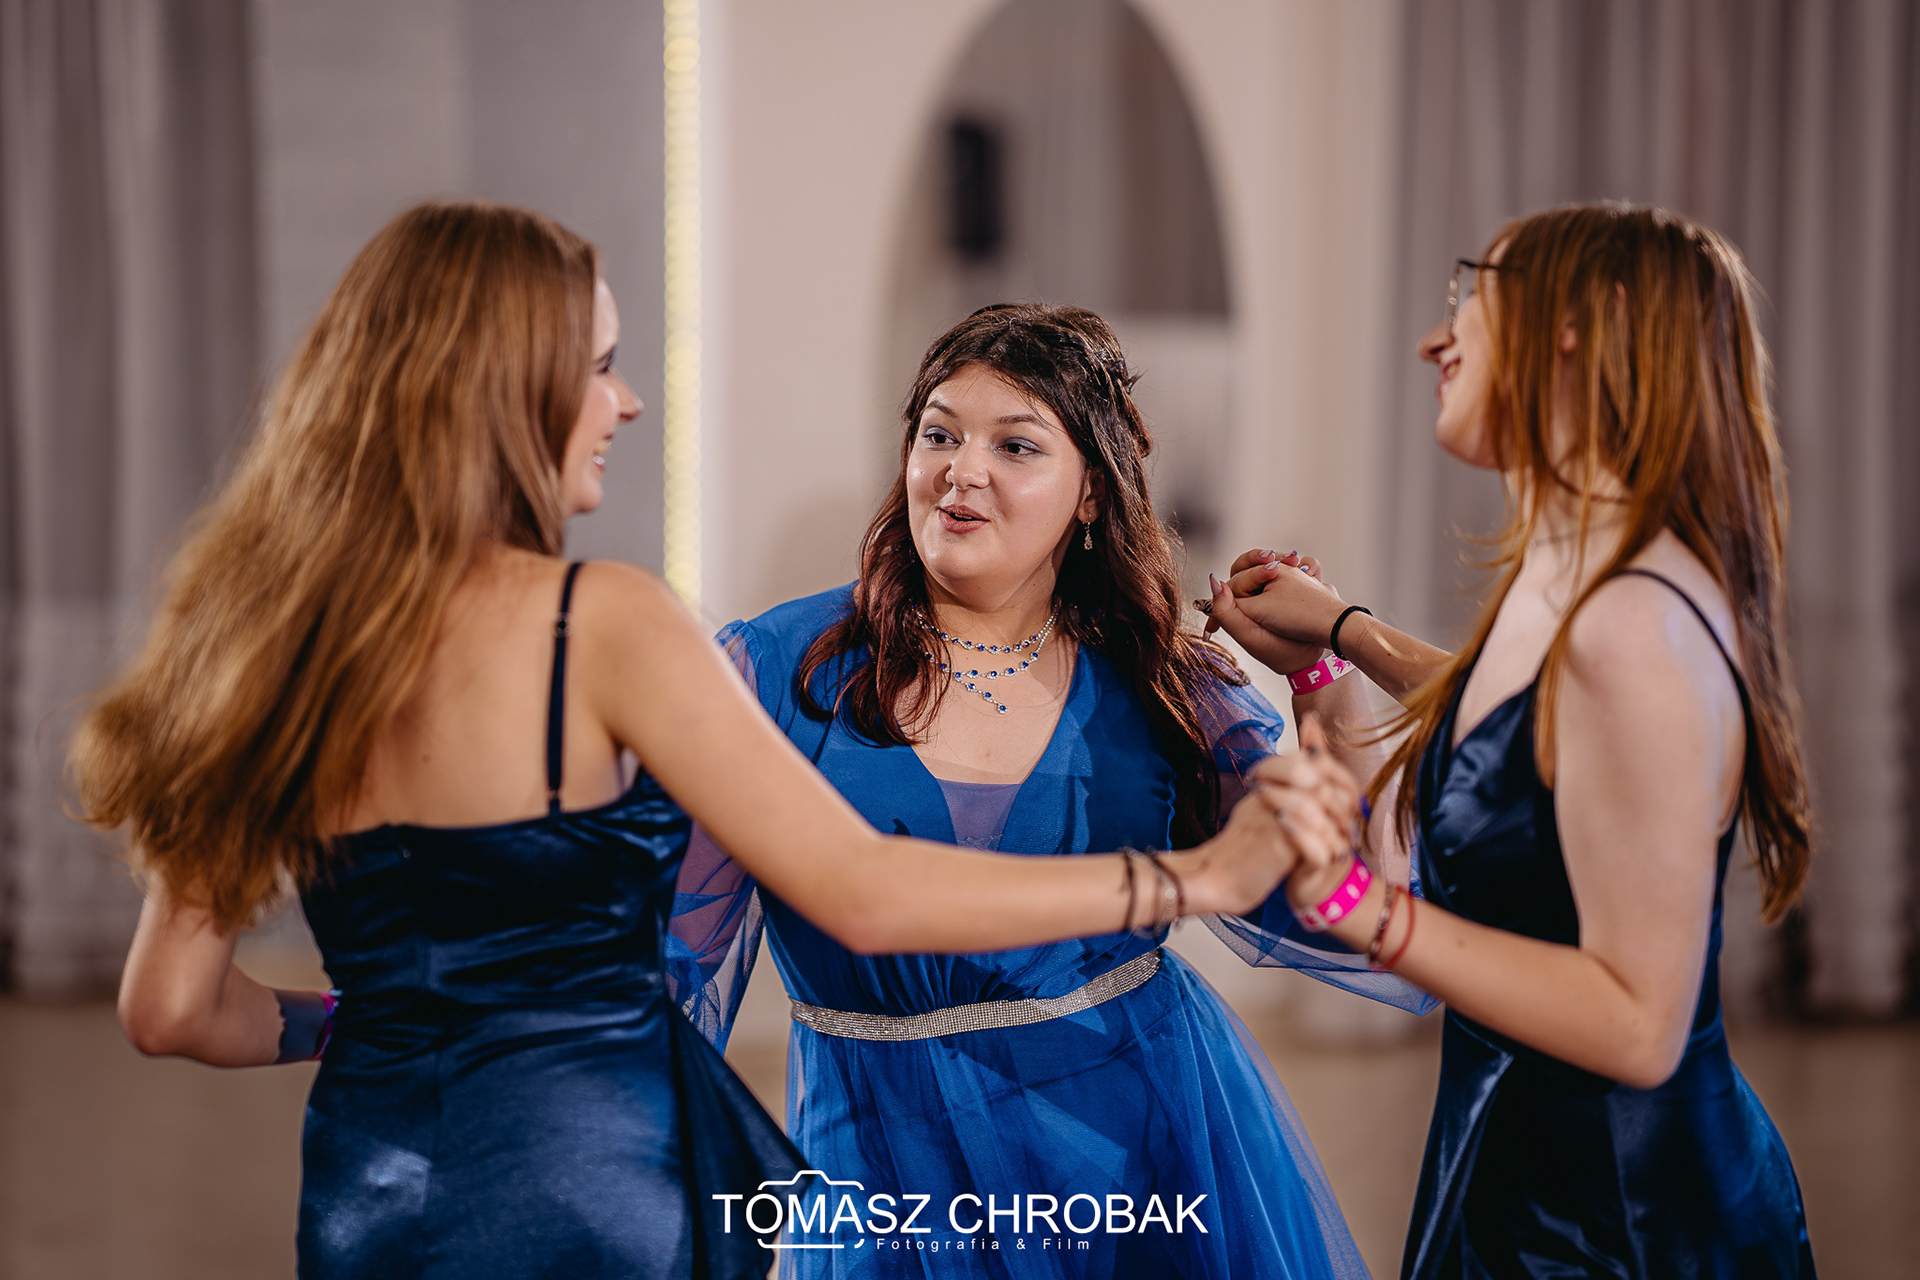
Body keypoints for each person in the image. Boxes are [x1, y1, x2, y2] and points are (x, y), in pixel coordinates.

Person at [71, 204, 1326, 1280]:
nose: (624, 400)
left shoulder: (255, 638)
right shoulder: (605, 622)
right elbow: (861, 891)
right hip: (587, 1173)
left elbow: (170, 1005)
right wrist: (1191, 878)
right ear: (498, 392)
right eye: (599, 366)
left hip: (374, 1177)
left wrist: (384, 1015)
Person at [673, 303, 1436, 1279]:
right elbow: (669, 977)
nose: (962, 470)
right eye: (939, 434)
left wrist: (1323, 672)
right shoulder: (775, 672)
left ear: (1091, 493)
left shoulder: (1162, 681)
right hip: (887, 1179)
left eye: (1015, 445)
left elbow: (1356, 906)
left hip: (1142, 1152)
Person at [1206, 203, 1817, 1277]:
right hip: (1519, 1166)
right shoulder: (1573, 568)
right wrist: (1330, 645)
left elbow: (1639, 1025)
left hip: (1616, 1221)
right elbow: (1507, 733)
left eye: (1468, 297)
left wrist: (1358, 908)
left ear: (1578, 323)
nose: (1434, 340)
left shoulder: (1631, 626)